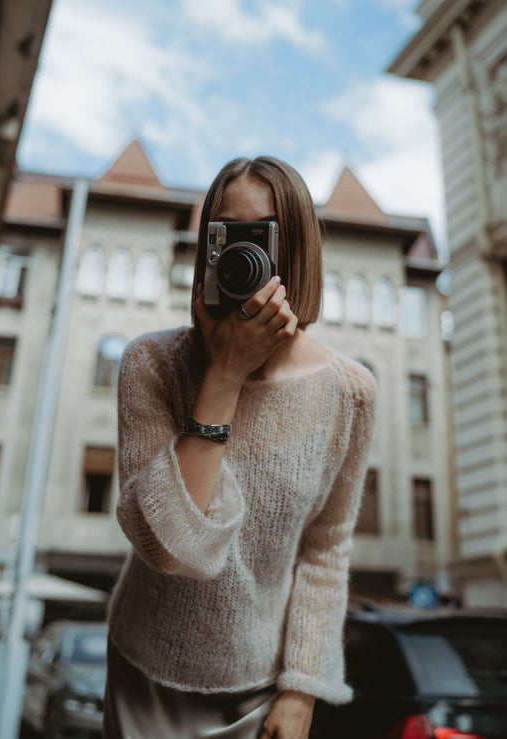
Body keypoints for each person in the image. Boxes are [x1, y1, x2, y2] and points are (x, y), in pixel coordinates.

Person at [103, 156, 378, 739]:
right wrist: (224, 376)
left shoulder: (349, 393)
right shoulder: (151, 364)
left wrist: (302, 689)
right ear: (208, 246)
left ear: (297, 247)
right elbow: (168, 549)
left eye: (263, 235)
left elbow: (326, 548)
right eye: (228, 233)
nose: (243, 254)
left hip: (262, 689)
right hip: (145, 673)